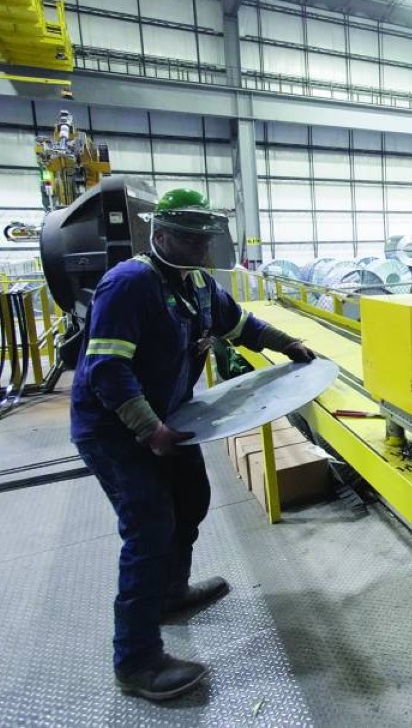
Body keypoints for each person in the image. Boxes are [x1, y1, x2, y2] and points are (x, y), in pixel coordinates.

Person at [70, 188, 315, 701]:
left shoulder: (198, 284)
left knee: (191, 502)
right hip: (116, 428)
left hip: (171, 418)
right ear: (160, 236)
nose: (203, 247)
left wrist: (286, 345)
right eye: (191, 238)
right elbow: (106, 369)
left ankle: (170, 593)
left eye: (206, 237)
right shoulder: (130, 284)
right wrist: (148, 429)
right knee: (149, 528)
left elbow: (240, 325)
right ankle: (135, 661)